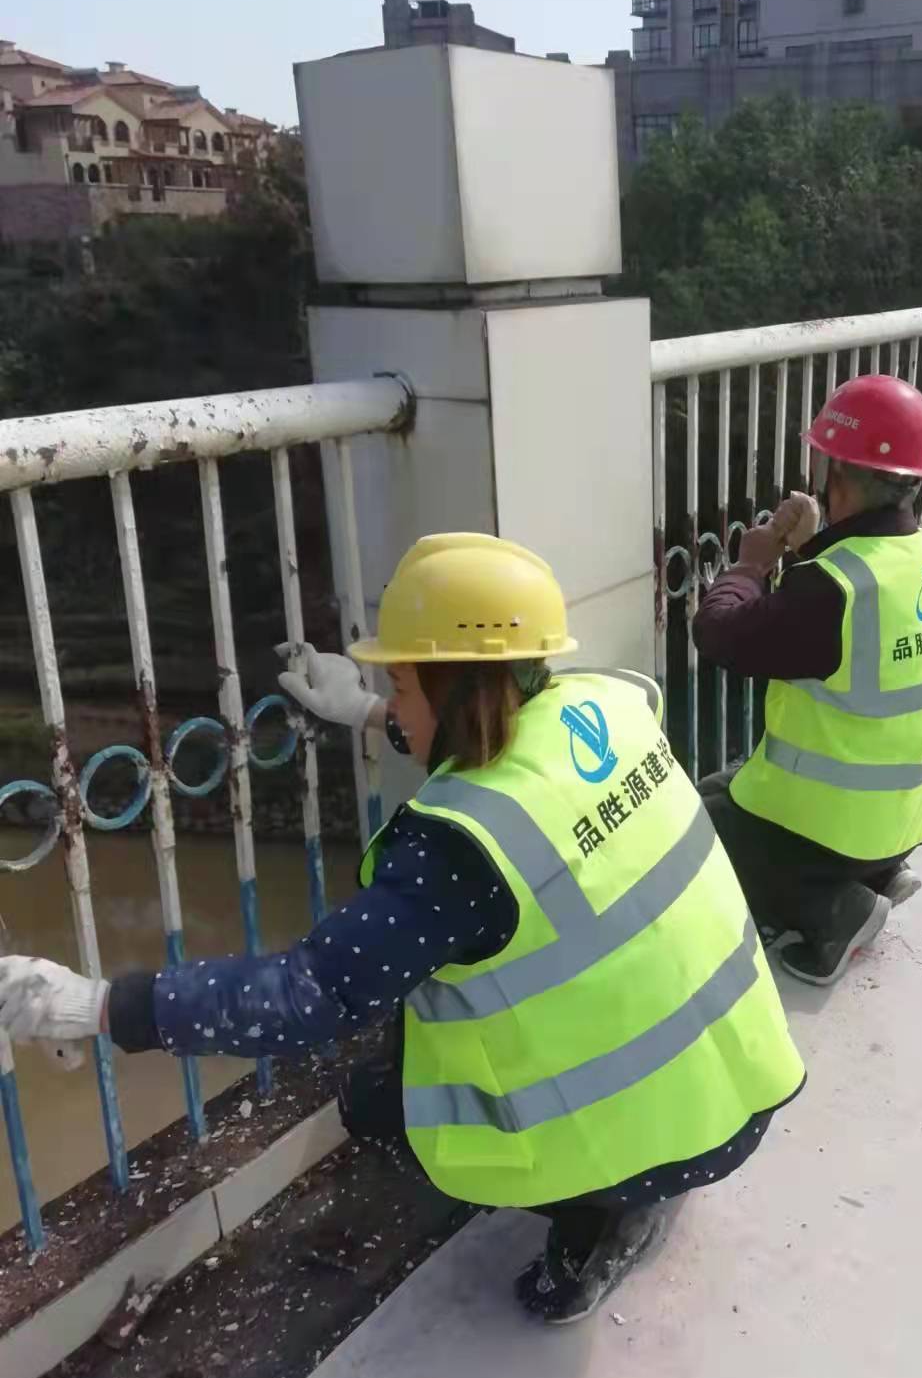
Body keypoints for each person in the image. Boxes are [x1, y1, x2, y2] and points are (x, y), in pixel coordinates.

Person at [0, 534, 805, 1325]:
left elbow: (303, 997)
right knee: (416, 1053)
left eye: (403, 686)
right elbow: (499, 738)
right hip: (741, 1074)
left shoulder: (461, 850)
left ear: (453, 688)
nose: (398, 705)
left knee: (379, 1108)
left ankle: (606, 1208)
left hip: (671, 1133)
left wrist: (97, 1005)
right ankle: (643, 1167)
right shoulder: (613, 706)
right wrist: (366, 711)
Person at [693, 376, 922, 989]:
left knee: (695, 827)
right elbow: (838, 631)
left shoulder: (832, 586)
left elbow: (719, 635)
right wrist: (815, 545)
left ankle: (835, 909)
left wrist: (752, 565)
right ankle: (878, 873)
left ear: (836, 471)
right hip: (905, 818)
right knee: (721, 787)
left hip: (836, 831)